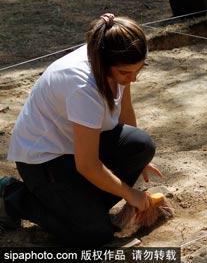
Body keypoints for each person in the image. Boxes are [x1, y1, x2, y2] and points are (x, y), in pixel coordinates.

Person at [0, 13, 161, 246]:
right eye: (126, 73)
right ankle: (12, 196)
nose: (133, 79)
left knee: (140, 145)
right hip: (44, 159)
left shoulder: (115, 59)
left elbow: (125, 112)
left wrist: (139, 160)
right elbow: (87, 165)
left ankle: (80, 209)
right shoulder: (82, 86)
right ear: (105, 64)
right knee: (93, 234)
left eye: (139, 70)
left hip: (74, 148)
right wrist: (131, 194)